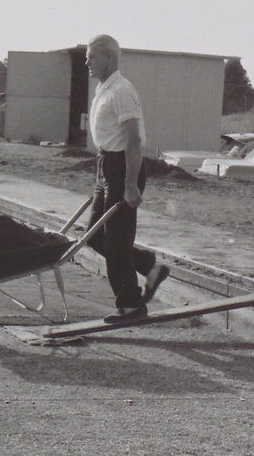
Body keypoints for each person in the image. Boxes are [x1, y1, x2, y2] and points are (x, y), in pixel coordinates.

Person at [84, 34, 169, 323]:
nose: (87, 62)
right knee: (94, 236)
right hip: (106, 167)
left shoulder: (121, 90)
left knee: (116, 243)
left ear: (109, 57)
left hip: (123, 170)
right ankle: (149, 267)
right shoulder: (103, 89)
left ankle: (131, 305)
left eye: (91, 56)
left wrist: (131, 184)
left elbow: (134, 140)